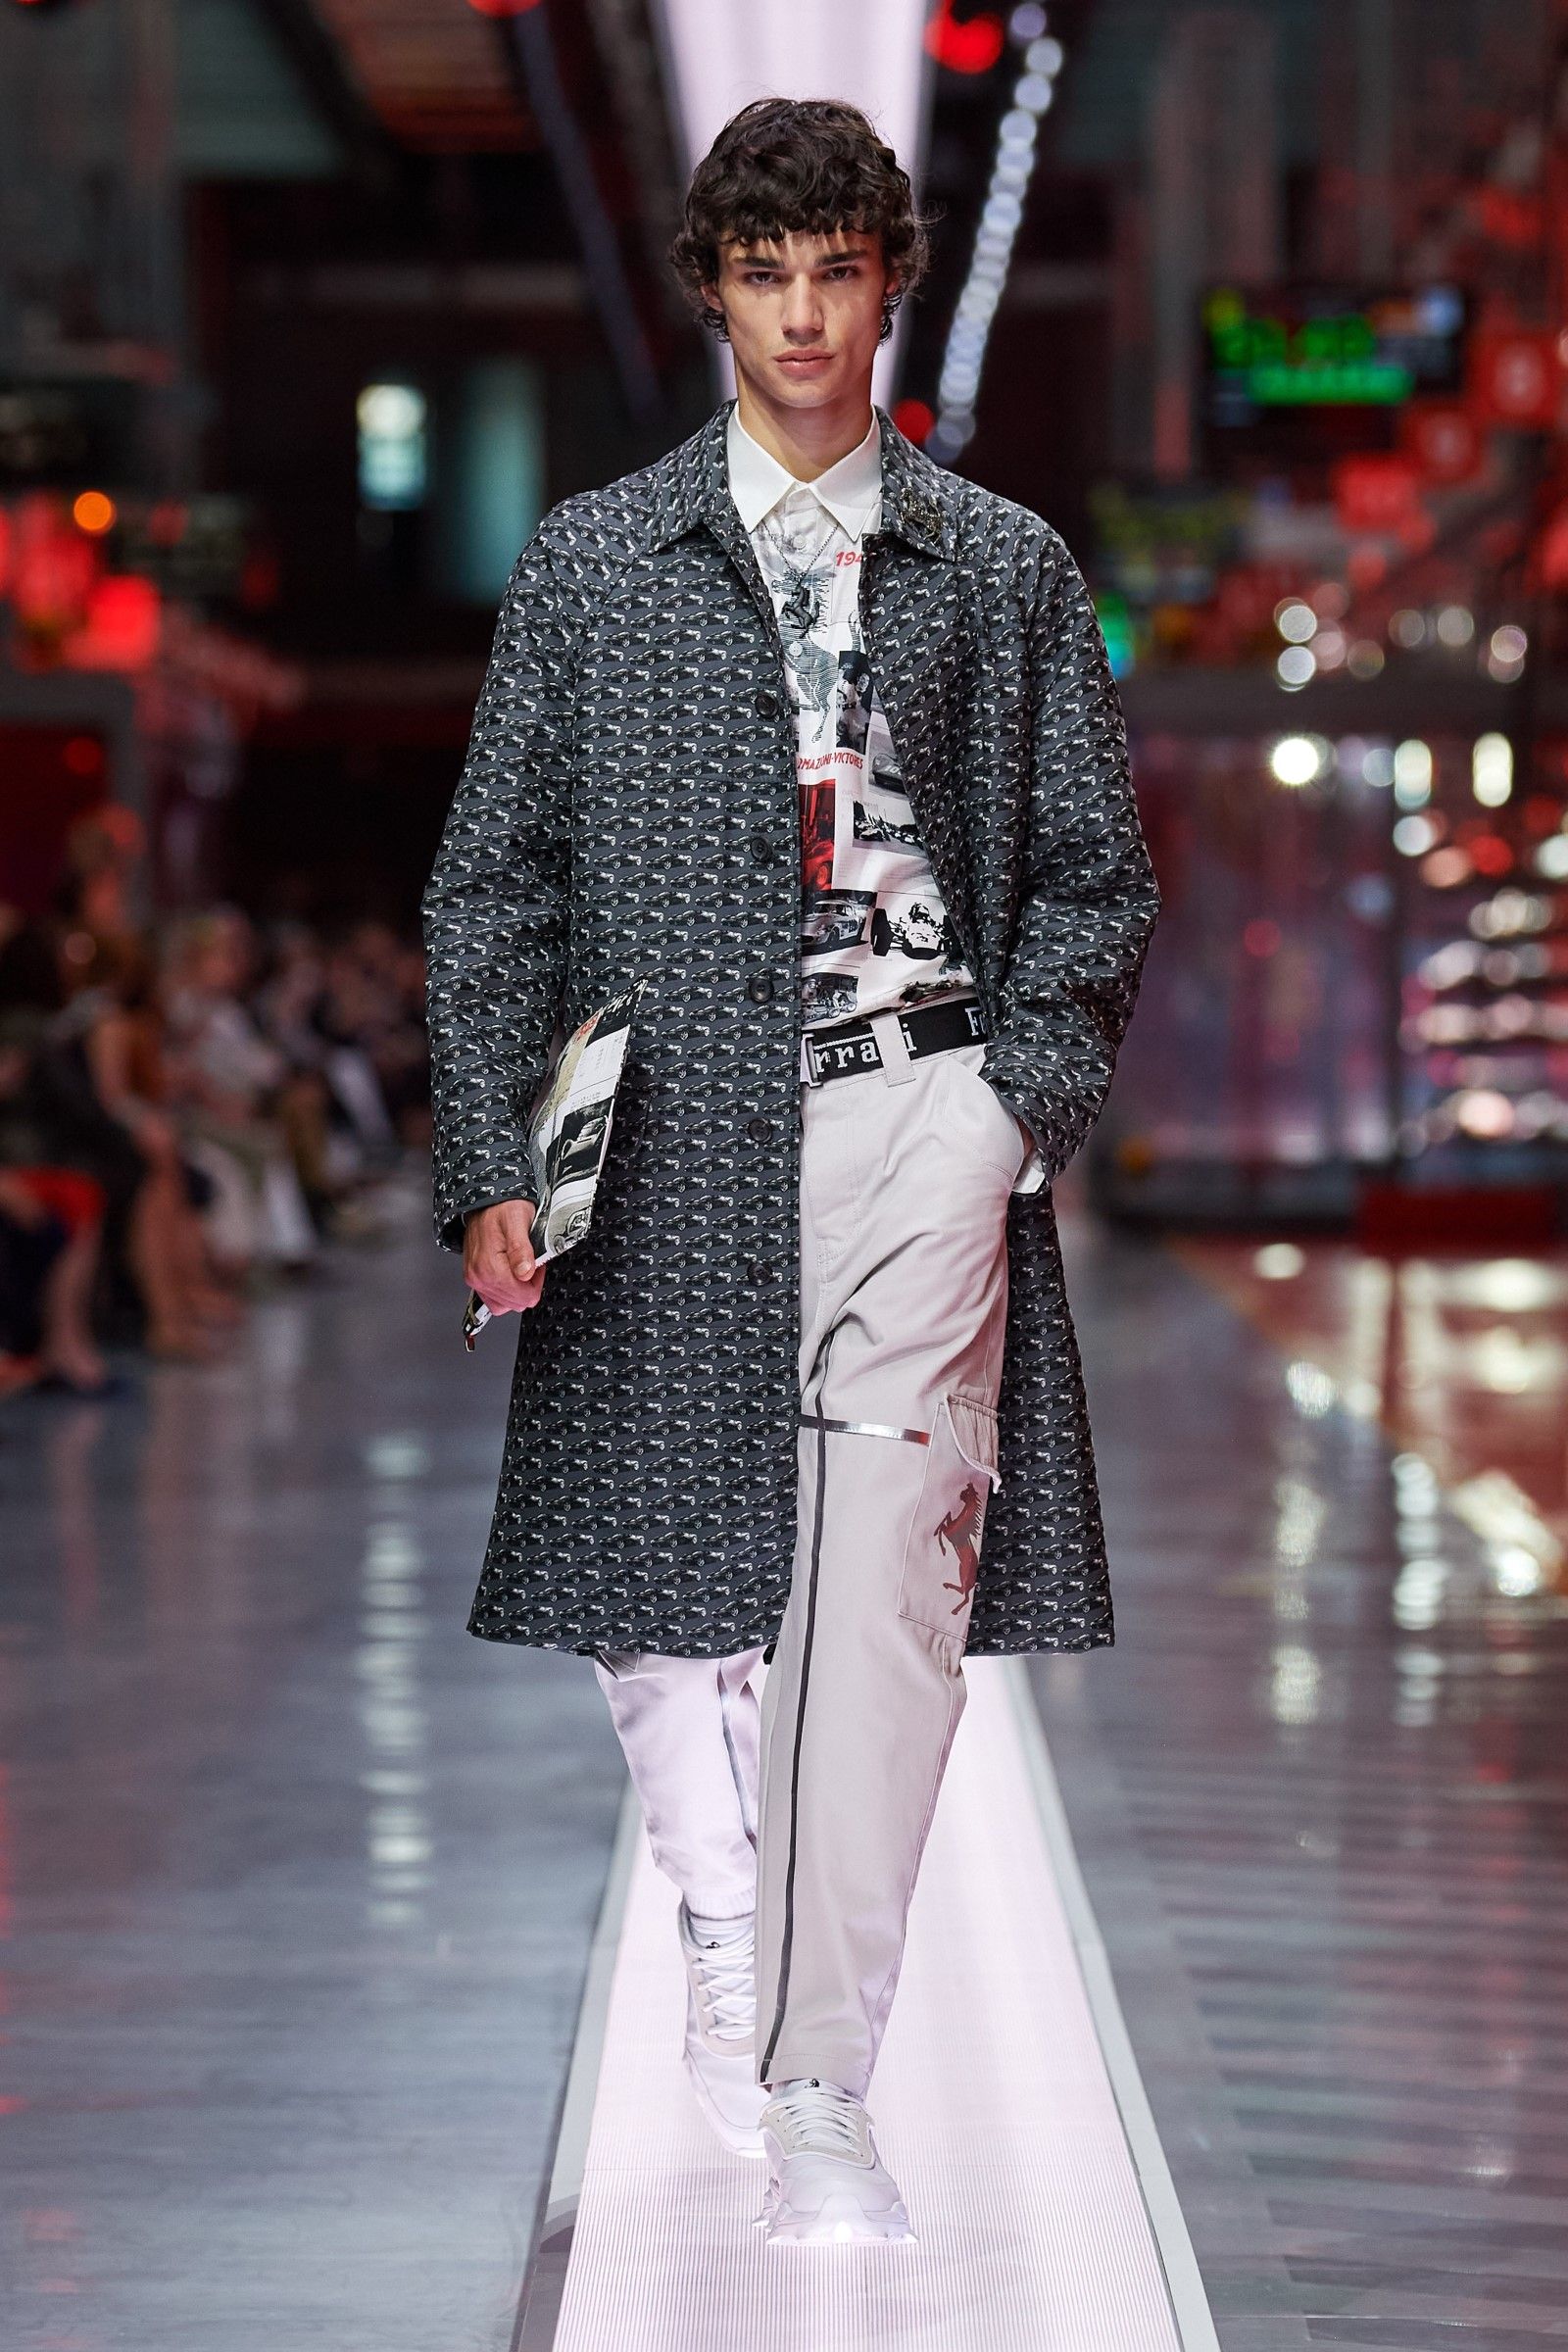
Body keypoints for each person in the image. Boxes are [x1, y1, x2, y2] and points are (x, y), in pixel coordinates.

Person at [423, 97, 1159, 2246]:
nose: (805, 315)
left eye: (837, 270)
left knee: (886, 1585)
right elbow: (493, 886)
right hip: (661, 1130)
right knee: (656, 1579)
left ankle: (819, 2069)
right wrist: (485, 1152)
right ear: (714, 294)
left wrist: (1009, 1106)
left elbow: (1091, 875)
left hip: (921, 1115)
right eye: (766, 275)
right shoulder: (594, 562)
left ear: (887, 282)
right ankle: (720, 1909)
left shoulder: (1000, 564)